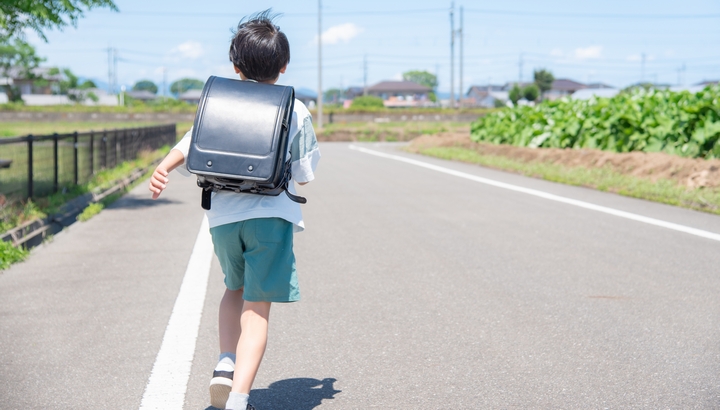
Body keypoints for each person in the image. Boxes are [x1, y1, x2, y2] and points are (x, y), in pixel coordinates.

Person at [148, 10, 320, 410]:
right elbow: (306, 173)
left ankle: (225, 363)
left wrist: (163, 167)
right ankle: (240, 398)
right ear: (283, 66)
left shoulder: (217, 100)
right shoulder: (295, 109)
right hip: (270, 218)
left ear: (235, 65)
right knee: (257, 306)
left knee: (233, 288)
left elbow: (193, 141)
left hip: (223, 218)